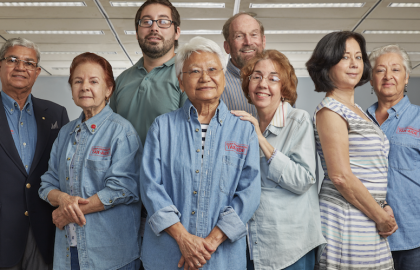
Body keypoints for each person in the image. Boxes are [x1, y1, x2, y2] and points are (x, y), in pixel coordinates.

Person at [140, 36, 261, 270]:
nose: (205, 77)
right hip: (168, 256)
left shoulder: (243, 131)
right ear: (181, 82)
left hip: (222, 257)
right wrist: (184, 240)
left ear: (223, 78)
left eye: (213, 69)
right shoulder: (162, 127)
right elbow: (150, 186)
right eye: (194, 71)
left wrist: (209, 243)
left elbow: (249, 193)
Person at [38, 53, 143, 270]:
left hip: (110, 255)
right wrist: (63, 199)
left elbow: (122, 189)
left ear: (108, 90)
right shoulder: (65, 133)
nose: (85, 87)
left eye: (94, 81)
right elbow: (47, 184)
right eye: (78, 81)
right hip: (68, 254)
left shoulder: (121, 132)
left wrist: (67, 211)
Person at [306, 31, 398, 269]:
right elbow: (341, 176)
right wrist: (380, 217)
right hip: (346, 218)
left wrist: (382, 207)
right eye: (345, 57)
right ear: (328, 63)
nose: (354, 63)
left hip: (369, 216)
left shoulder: (356, 109)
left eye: (358, 56)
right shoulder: (331, 110)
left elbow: (370, 169)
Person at [231, 50, 326, 270]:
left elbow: (303, 179)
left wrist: (262, 141)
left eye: (273, 79)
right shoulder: (247, 126)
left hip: (291, 248)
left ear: (283, 89)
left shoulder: (298, 120)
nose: (263, 84)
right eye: (256, 76)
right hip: (256, 243)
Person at [0, 37, 69, 270]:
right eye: (12, 60)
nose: (21, 67)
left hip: (44, 233)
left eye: (29, 63)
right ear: (1, 65)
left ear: (37, 71)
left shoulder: (56, 115)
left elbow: (65, 171)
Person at [367, 44, 420, 270]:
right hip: (366, 235)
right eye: (380, 70)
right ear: (371, 79)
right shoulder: (359, 121)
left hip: (412, 237)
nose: (388, 76)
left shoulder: (418, 118)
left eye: (396, 70)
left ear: (406, 77)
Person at [110, 0, 187, 145]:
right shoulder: (121, 80)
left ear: (177, 32)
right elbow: (111, 132)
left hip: (167, 168)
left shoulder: (187, 75)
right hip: (123, 168)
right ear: (137, 31)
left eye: (163, 21)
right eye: (146, 21)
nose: (154, 27)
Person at [220, 12, 266, 117]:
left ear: (263, 41)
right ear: (227, 46)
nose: (248, 42)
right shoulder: (215, 85)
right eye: (239, 36)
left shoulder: (281, 81)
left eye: (254, 34)